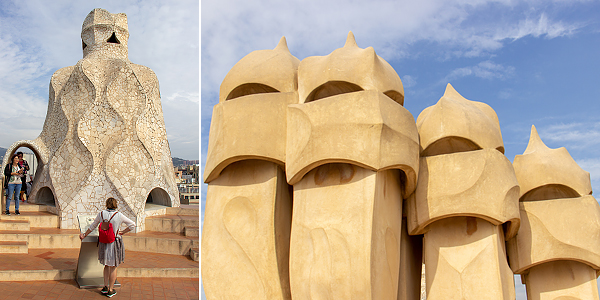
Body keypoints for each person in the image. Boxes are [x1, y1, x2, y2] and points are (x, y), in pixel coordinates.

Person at [79, 198, 136, 297]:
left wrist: (84, 235)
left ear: (106, 204)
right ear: (115, 204)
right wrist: (123, 232)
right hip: (114, 243)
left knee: (106, 265)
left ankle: (105, 287)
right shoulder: (119, 215)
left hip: (104, 243)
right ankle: (110, 289)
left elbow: (93, 226)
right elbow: (132, 224)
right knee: (113, 266)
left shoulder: (101, 214)